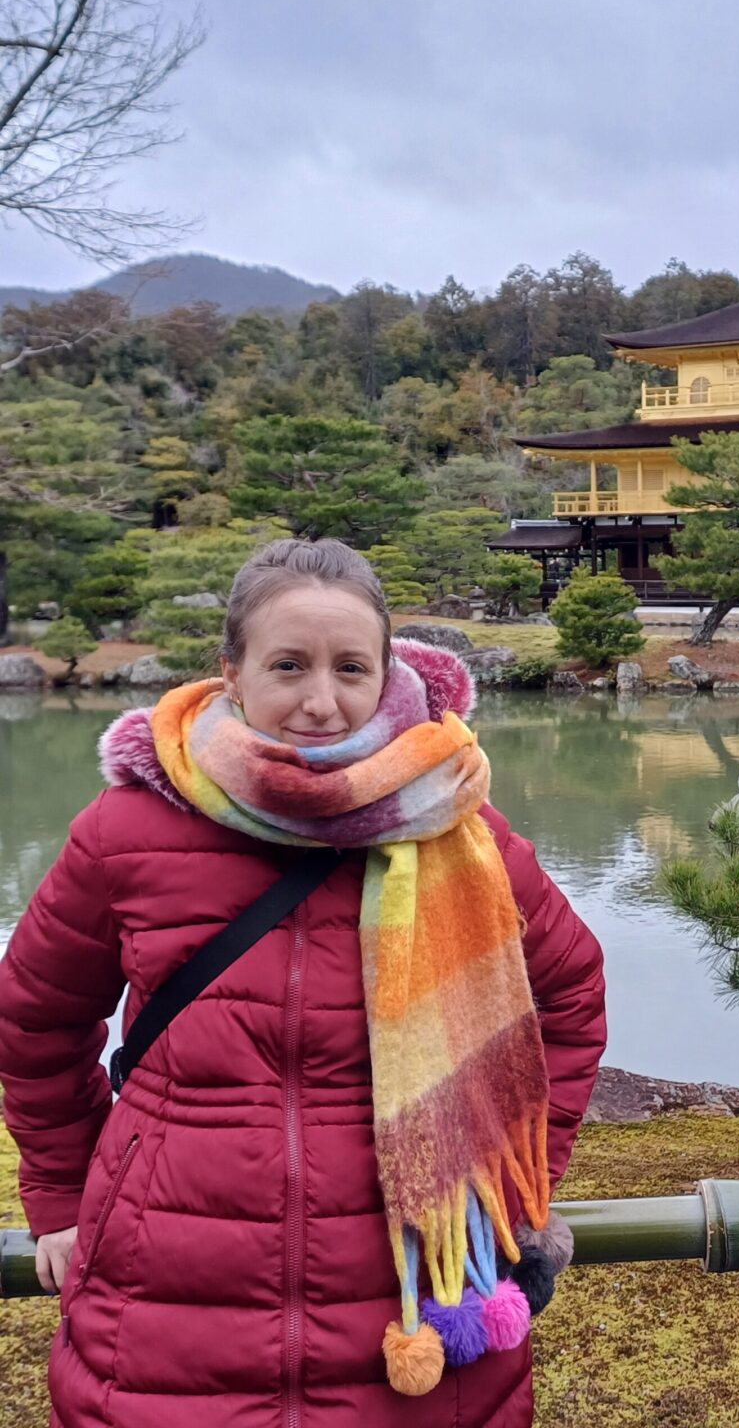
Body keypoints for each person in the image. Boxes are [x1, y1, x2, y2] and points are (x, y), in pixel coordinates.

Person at [0, 538, 606, 1428]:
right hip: (165, 1287)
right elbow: (35, 1018)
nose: (322, 702)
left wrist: (517, 1186)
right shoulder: (127, 827)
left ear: (388, 673)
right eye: (289, 665)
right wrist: (62, 1194)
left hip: (411, 1293)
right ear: (232, 672)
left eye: (350, 667)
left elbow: (572, 994)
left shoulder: (458, 826)